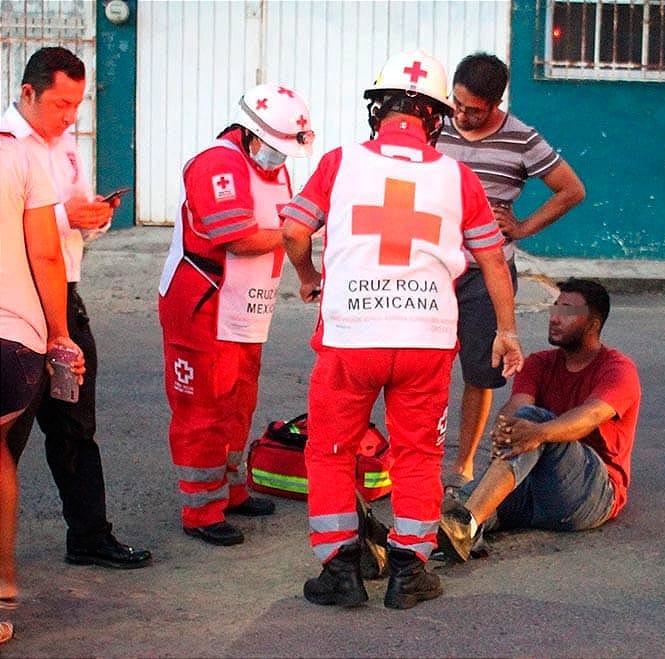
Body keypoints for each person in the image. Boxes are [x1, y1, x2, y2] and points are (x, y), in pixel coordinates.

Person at [281, 49, 523, 610]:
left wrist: (308, 276)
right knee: (417, 455)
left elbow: (293, 231)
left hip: (351, 337)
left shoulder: (340, 163)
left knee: (331, 450)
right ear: (435, 118)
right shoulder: (458, 176)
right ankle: (410, 571)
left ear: (378, 110)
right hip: (426, 339)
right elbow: (492, 259)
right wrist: (507, 331)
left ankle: (340, 569)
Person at [1, 46, 151, 569]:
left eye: (77, 105)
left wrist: (94, 217)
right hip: (17, 306)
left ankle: (89, 535)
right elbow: (26, 235)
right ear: (28, 93)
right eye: (61, 104)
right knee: (9, 435)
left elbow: (71, 228)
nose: (70, 116)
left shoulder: (65, 147)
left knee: (75, 425)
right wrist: (65, 217)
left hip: (65, 295)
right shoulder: (8, 148)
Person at [158, 82, 315, 546]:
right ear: (251, 132)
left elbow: (284, 228)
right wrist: (298, 231)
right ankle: (200, 508)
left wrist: (304, 267)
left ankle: (229, 489)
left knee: (238, 402)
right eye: (277, 146)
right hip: (204, 305)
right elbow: (238, 237)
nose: (281, 158)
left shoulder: (272, 166)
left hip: (246, 307)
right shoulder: (216, 164)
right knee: (203, 409)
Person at [436, 52, 586, 492]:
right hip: (433, 269)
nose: (462, 115)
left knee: (479, 372)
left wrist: (523, 227)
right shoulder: (435, 125)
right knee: (423, 368)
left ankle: (462, 465)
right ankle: (417, 456)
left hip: (487, 275)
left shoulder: (522, 138)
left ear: (496, 104)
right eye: (457, 103)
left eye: (474, 110)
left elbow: (571, 189)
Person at [435, 279, 641, 563]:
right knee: (457, 507)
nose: (555, 318)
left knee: (534, 421)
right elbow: (517, 406)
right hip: (534, 488)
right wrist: (506, 427)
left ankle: (466, 525)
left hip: (591, 495)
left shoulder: (618, 369)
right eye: (555, 308)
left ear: (593, 324)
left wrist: (539, 432)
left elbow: (591, 416)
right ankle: (398, 549)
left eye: (567, 311)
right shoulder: (539, 363)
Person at [1, 133, 85, 644]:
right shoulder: (18, 155)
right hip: (14, 337)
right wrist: (60, 334)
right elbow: (47, 255)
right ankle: (2, 586)